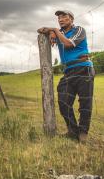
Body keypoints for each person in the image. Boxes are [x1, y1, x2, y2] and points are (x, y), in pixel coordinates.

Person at [37, 10, 95, 143]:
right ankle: (73, 130)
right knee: (63, 101)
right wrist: (51, 31)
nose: (61, 19)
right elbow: (39, 29)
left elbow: (68, 44)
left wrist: (54, 31)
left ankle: (83, 133)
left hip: (83, 68)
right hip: (68, 71)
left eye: (64, 17)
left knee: (85, 103)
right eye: (59, 18)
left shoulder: (79, 30)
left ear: (71, 19)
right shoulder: (59, 33)